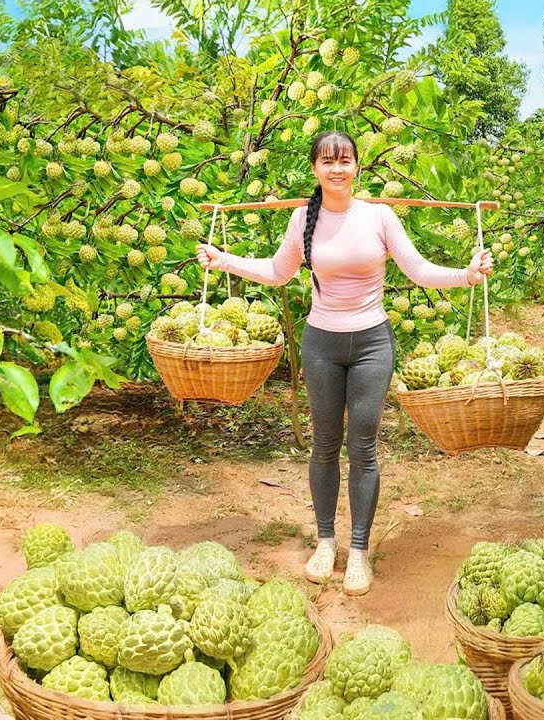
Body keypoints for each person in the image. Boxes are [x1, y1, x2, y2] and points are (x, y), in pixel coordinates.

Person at [196, 130, 494, 595]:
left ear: (357, 167)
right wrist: (224, 260)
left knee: (363, 447)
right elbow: (277, 272)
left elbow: (418, 270)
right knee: (324, 445)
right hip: (321, 345)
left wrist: (467, 275)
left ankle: (358, 550)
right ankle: (324, 541)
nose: (337, 169)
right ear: (315, 168)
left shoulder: (379, 216)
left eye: (345, 160)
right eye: (328, 161)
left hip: (372, 344)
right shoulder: (302, 218)